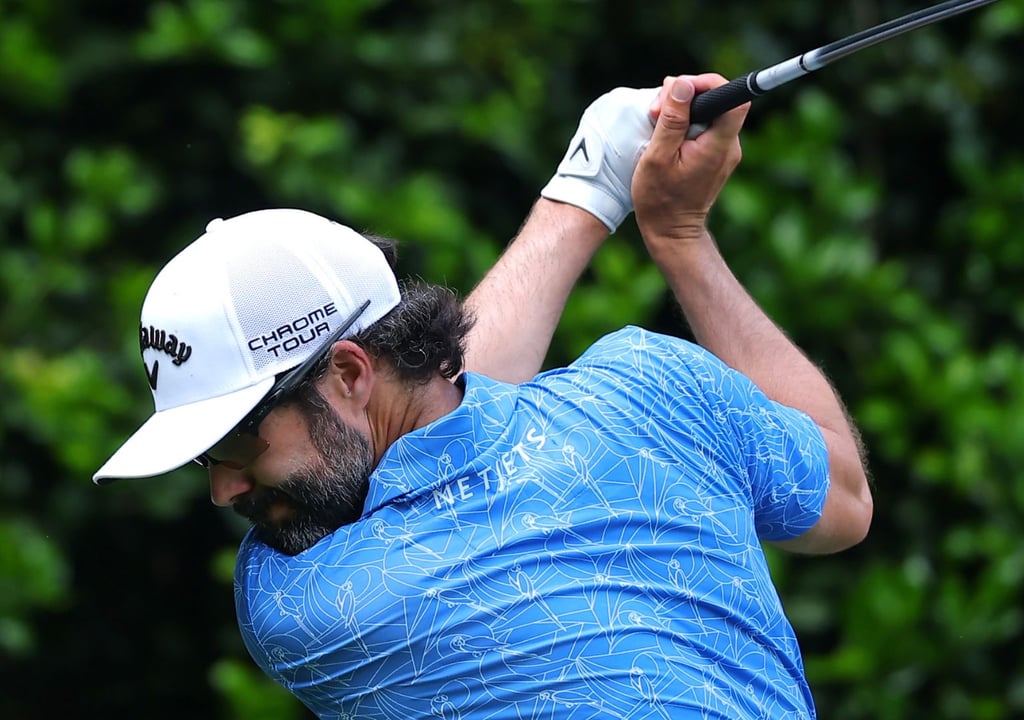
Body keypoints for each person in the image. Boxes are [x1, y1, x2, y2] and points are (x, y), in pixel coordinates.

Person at [94, 74, 873, 719]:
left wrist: (594, 192)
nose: (224, 487)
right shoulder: (655, 392)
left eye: (239, 443)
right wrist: (667, 229)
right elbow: (844, 498)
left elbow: (455, 402)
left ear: (351, 374)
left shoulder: (301, 597)